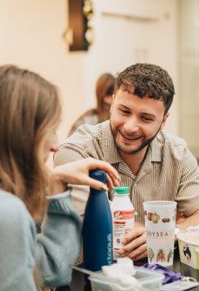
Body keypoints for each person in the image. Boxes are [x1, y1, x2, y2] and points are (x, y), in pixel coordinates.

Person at [54, 63, 199, 261]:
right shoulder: (77, 151)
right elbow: (87, 225)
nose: (130, 127)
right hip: (86, 279)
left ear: (163, 121)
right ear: (112, 104)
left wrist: (169, 232)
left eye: (145, 118)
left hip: (155, 277)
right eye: (124, 111)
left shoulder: (177, 153)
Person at [0, 65, 120, 290]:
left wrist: (56, 183)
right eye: (51, 129)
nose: (56, 144)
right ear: (22, 135)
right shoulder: (8, 213)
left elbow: (47, 269)